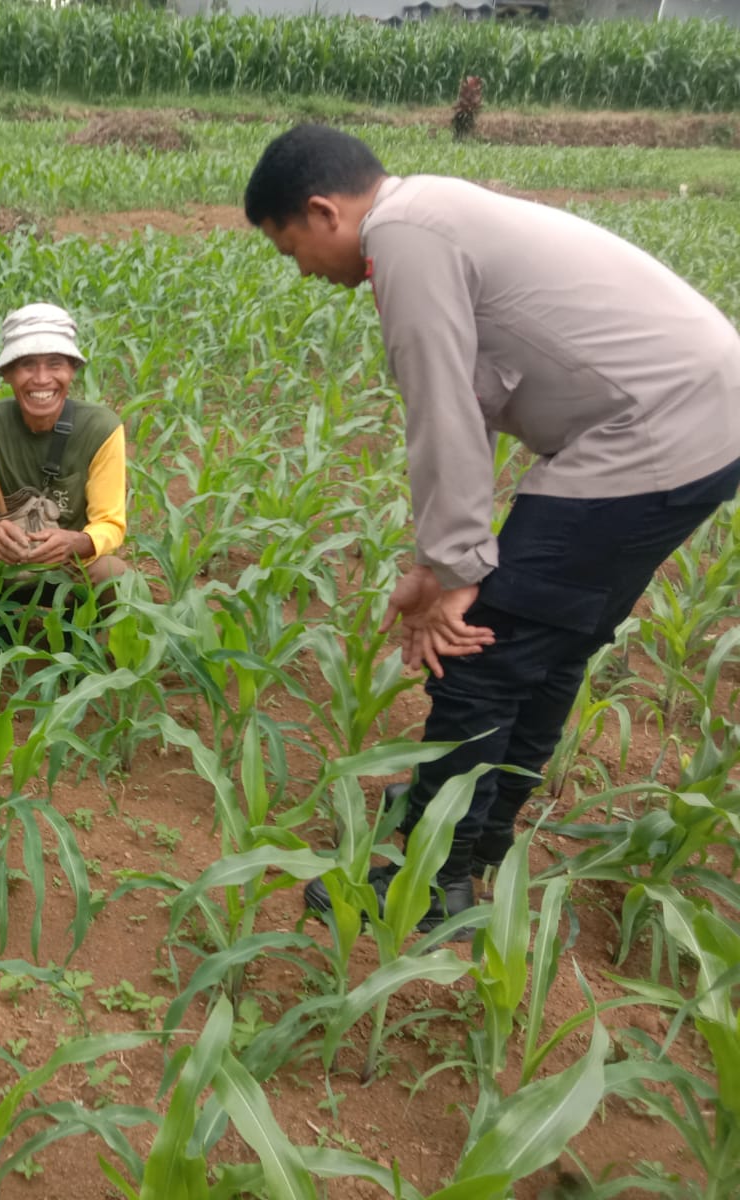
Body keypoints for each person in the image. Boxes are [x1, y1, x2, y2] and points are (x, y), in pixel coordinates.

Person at [243, 125, 740, 931]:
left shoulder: (403, 239)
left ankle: (431, 877)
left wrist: (457, 576)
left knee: (481, 650)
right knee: (546, 643)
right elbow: (471, 406)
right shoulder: (428, 212)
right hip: (695, 419)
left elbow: (439, 411)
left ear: (322, 210)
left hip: (656, 431)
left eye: (288, 247)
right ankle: (481, 820)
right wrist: (435, 565)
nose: (300, 269)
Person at [0, 304, 128, 630]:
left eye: (55, 364)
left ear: (71, 370)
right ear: (8, 373)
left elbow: (110, 523)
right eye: (27, 365)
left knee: (115, 576)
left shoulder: (101, 429)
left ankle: (83, 637)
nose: (41, 379)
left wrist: (74, 542)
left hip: (67, 569)